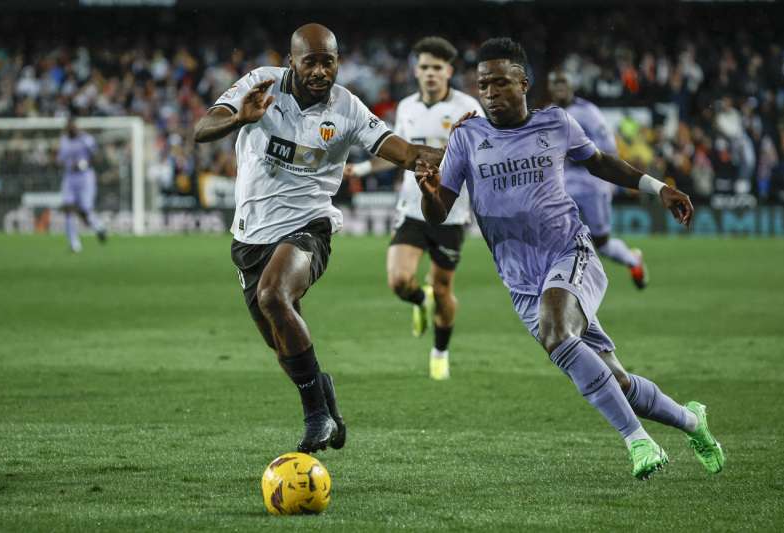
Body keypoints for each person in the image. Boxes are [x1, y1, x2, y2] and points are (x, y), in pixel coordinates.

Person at [415, 38, 724, 479]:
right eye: (483, 85)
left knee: (557, 332)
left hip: (570, 252)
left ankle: (638, 442)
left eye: (500, 83)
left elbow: (600, 163)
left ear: (524, 83)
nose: (490, 93)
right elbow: (438, 209)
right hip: (520, 281)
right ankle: (693, 422)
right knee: (616, 381)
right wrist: (428, 196)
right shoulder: (466, 137)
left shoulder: (556, 123)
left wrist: (660, 188)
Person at [194, 23, 443, 454]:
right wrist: (240, 118)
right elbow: (202, 129)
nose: (320, 71)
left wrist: (451, 154)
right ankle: (323, 394)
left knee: (275, 296)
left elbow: (399, 150)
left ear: (337, 62)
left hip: (309, 227)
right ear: (292, 61)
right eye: (311, 61)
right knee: (282, 345)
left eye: (329, 61)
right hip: (251, 236)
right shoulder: (261, 83)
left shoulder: (346, 108)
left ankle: (315, 418)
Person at [345, 37, 484, 380]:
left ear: (449, 71)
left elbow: (481, 159)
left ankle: (440, 351)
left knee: (443, 289)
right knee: (398, 280)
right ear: (416, 70)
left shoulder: (469, 108)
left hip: (451, 210)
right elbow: (398, 154)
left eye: (437, 67)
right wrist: (361, 169)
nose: (430, 73)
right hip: (411, 206)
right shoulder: (406, 107)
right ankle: (420, 302)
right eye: (424, 67)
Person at [547, 70, 648, 288]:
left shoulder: (588, 112)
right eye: (555, 83)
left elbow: (608, 148)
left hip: (592, 182)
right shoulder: (548, 113)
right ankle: (563, 282)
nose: (559, 87)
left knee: (602, 242)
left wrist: (580, 153)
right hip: (563, 184)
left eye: (563, 81)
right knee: (554, 234)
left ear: (572, 85)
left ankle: (633, 259)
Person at [58, 117, 107, 252]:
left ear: (76, 126)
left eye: (72, 126)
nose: (70, 129)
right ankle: (74, 244)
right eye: (68, 126)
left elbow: (97, 156)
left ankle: (99, 227)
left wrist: (83, 164)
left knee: (85, 210)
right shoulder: (64, 141)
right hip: (69, 177)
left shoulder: (86, 139)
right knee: (68, 208)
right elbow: (60, 159)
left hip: (85, 177)